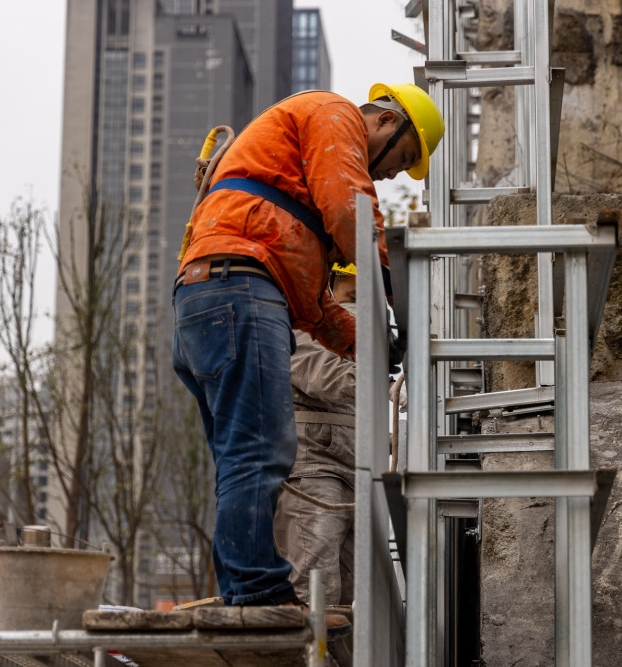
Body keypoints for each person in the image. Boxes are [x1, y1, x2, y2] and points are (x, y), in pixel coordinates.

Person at [171, 84, 444, 620]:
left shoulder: (284, 214)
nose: (389, 176)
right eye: (403, 159)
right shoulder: (332, 112)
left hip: (213, 294)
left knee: (241, 458)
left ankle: (242, 588)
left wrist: (367, 343)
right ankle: (255, 589)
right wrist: (403, 297)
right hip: (237, 289)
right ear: (388, 123)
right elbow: (352, 211)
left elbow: (314, 309)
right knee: (262, 450)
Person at [274, 263, 358, 608]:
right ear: (325, 290)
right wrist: (385, 380)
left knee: (350, 602)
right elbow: (326, 377)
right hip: (313, 470)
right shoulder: (298, 327)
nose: (356, 310)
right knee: (314, 592)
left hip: (351, 472)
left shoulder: (352, 342)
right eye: (351, 298)